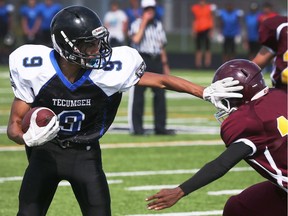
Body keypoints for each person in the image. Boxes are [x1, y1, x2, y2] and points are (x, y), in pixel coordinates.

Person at [7, 5, 243, 216]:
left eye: (98, 42)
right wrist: (26, 138)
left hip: (85, 155)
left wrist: (202, 92)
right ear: (65, 46)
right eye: (88, 44)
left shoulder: (110, 70)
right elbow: (14, 127)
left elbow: (161, 80)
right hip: (44, 155)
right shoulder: (34, 67)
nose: (97, 49)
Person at [146, 59, 287, 216]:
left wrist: (180, 191)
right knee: (239, 207)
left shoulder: (248, 121)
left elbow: (222, 163)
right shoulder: (279, 96)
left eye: (224, 98)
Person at [128, 0, 173, 135]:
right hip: (143, 59)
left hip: (156, 60)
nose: (150, 11)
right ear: (143, 10)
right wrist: (144, 22)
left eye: (152, 9)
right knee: (139, 95)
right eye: (147, 9)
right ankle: (138, 128)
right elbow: (136, 40)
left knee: (160, 94)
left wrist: (165, 65)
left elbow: (161, 46)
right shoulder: (136, 24)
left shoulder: (158, 25)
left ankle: (160, 127)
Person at [252, 15, 287, 90]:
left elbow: (255, 65)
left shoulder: (281, 26)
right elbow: (256, 64)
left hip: (282, 93)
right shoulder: (280, 27)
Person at [190, 0, 216, 68]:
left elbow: (211, 18)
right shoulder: (195, 8)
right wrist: (193, 29)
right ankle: (198, 64)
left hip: (207, 29)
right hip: (198, 29)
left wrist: (211, 30)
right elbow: (194, 19)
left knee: (207, 47)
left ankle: (208, 63)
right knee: (198, 48)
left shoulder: (209, 8)